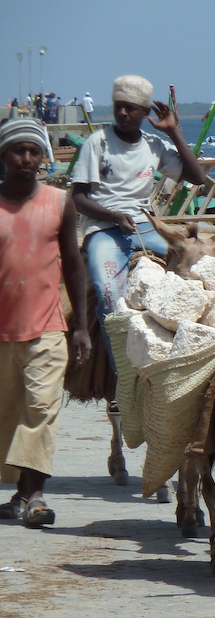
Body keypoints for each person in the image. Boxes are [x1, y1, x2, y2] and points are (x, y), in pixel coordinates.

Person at [71, 75, 205, 366]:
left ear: (146, 113)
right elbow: (78, 197)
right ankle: (121, 375)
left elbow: (197, 177)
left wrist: (173, 133)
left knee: (199, 270)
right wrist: (113, 216)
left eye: (131, 108)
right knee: (109, 296)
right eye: (119, 106)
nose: (123, 113)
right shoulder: (98, 143)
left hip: (145, 226)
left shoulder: (154, 146)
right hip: (103, 229)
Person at [0, 119, 91, 525]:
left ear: (42, 157)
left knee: (40, 410)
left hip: (47, 328)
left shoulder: (59, 202)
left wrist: (83, 326)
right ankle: (18, 495)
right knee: (7, 414)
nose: (27, 158)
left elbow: (73, 266)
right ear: (4, 155)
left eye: (34, 151)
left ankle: (35, 496)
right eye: (18, 150)